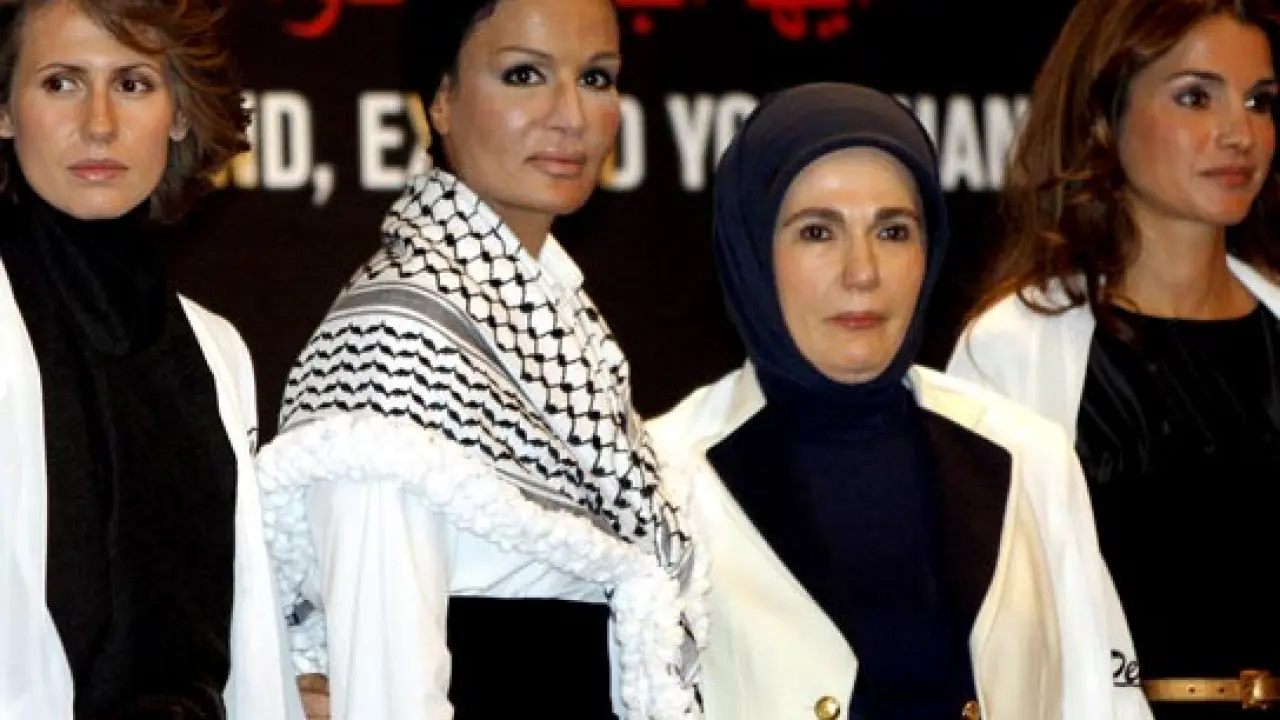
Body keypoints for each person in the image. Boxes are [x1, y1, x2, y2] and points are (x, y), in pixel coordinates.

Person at [253, 1, 706, 718]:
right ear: (441, 99)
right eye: (524, 74)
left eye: (596, 78)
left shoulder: (555, 314)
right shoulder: (396, 340)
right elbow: (386, 697)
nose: (571, 116)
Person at [647, 82, 1154, 720]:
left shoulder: (1029, 456)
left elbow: (1098, 701)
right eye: (817, 232)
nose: (863, 271)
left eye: (892, 231)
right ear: (752, 250)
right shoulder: (664, 476)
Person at [947, 0, 1280, 714]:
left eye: (1260, 102)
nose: (1239, 133)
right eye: (1196, 97)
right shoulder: (1011, 351)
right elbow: (974, 629)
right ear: (1104, 113)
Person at [0, 0, 303, 718]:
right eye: (61, 83)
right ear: (5, 111)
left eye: (133, 83)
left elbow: (242, 641)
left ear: (179, 113)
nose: (99, 123)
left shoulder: (216, 349)